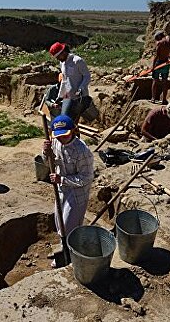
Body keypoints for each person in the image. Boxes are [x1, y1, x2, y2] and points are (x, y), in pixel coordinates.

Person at [42, 115, 94, 267]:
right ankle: (64, 249)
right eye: (58, 136)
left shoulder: (82, 152)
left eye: (65, 135)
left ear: (73, 131)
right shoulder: (55, 142)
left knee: (70, 225)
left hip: (77, 194)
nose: (61, 139)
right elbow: (48, 162)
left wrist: (62, 179)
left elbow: (86, 178)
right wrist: (46, 153)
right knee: (59, 222)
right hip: (62, 190)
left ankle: (73, 254)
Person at [49, 42, 91, 123]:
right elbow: (65, 81)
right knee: (65, 118)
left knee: (73, 121)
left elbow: (87, 76)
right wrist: (60, 96)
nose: (58, 59)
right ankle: (70, 135)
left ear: (63, 52)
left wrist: (80, 88)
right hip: (68, 96)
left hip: (80, 97)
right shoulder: (62, 63)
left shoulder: (77, 61)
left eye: (58, 56)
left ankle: (74, 135)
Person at [151, 30, 170, 104]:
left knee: (155, 80)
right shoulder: (169, 42)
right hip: (166, 63)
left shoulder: (159, 43)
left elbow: (156, 56)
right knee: (164, 81)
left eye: (157, 38)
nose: (157, 40)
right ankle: (164, 99)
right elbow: (168, 37)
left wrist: (153, 66)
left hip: (159, 63)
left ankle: (153, 98)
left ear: (159, 36)